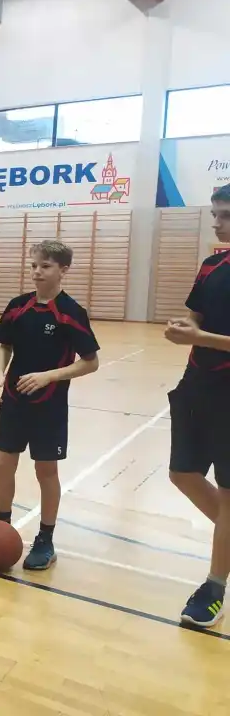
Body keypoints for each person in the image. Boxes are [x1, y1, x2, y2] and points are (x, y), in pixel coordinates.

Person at [0, 240, 100, 571]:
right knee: (4, 464)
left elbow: (90, 362)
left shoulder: (70, 313)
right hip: (13, 400)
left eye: (45, 266)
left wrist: (48, 376)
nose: (37, 272)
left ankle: (45, 540)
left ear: (63, 270)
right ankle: (2, 529)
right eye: (34, 265)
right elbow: (4, 347)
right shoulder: (17, 306)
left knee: (46, 471)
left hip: (49, 405)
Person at [165, 183, 230, 628]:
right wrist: (184, 326)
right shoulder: (212, 266)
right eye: (215, 214)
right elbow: (196, 316)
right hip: (195, 384)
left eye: (225, 215)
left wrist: (200, 337)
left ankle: (214, 587)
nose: (217, 223)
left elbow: (204, 333)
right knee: (182, 473)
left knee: (228, 492)